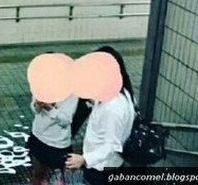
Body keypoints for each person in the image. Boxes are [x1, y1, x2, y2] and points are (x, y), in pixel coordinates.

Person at [65, 46, 135, 185]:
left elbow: (112, 146)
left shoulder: (112, 108)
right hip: (110, 165)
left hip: (101, 170)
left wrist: (84, 159)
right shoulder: (123, 93)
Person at [28, 94, 78, 185]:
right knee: (36, 175)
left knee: (60, 179)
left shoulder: (71, 94)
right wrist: (37, 105)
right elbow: (34, 109)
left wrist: (49, 108)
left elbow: (65, 121)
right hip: (38, 136)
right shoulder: (41, 87)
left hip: (57, 143)